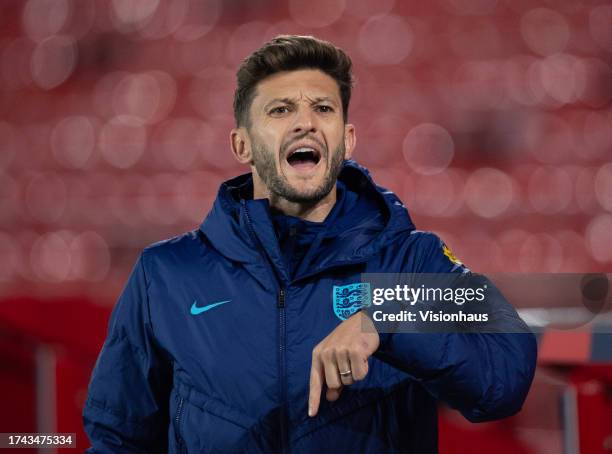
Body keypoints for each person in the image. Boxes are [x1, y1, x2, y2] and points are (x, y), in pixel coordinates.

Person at [83, 35, 537, 453]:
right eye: (280, 110)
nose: (305, 122)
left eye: (323, 108)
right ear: (242, 145)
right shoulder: (166, 275)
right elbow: (116, 439)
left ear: (347, 137)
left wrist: (387, 320)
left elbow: (506, 375)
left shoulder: (409, 262)